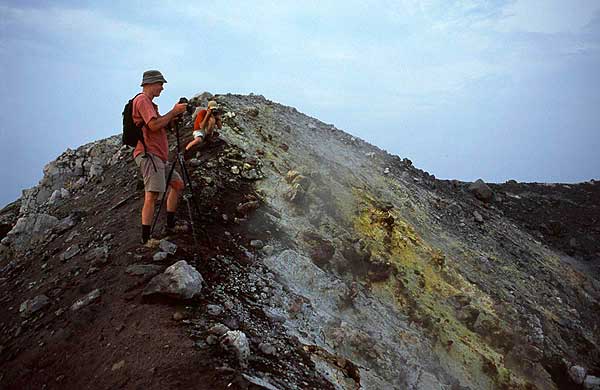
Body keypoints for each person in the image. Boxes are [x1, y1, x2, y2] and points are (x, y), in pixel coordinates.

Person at [132, 70, 187, 244]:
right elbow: (154, 125)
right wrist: (173, 112)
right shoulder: (142, 100)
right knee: (152, 195)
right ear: (150, 84)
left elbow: (157, 125)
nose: (162, 88)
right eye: (160, 84)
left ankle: (170, 225)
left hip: (158, 157)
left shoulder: (150, 104)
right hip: (149, 155)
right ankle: (146, 239)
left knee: (177, 184)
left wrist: (172, 118)